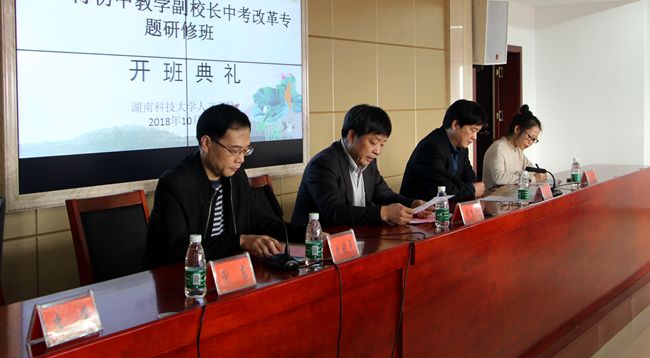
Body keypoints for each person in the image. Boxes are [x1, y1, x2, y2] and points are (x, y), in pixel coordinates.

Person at [145, 103, 304, 269]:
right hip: (183, 276)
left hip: (226, 270)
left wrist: (306, 234)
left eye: (245, 150)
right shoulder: (174, 184)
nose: (241, 159)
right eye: (234, 150)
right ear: (206, 143)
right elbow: (176, 249)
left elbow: (261, 221)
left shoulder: (236, 176)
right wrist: (239, 241)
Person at [291, 104, 426, 228]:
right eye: (373, 142)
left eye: (382, 144)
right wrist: (382, 213)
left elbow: (384, 195)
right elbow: (334, 212)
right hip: (316, 242)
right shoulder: (323, 164)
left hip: (356, 236)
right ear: (352, 136)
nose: (378, 151)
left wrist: (412, 204)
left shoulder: (368, 161)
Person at [400, 99, 487, 202]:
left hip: (445, 207)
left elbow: (470, 178)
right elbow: (442, 191)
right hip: (420, 209)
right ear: (455, 125)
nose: (474, 137)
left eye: (477, 132)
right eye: (473, 130)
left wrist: (472, 188)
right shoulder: (431, 148)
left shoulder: (461, 147)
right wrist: (472, 190)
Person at [481, 105, 545, 190]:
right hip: (495, 197)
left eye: (534, 139)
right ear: (517, 129)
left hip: (511, 195)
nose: (531, 142)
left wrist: (540, 174)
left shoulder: (518, 150)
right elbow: (498, 178)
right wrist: (532, 178)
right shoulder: (498, 148)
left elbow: (531, 170)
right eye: (530, 137)